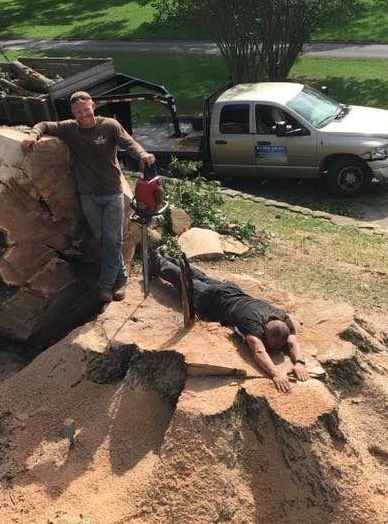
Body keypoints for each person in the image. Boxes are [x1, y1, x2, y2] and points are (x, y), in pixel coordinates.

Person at [21, 91, 156, 303]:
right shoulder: (70, 129)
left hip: (112, 192)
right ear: (73, 113)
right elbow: (44, 125)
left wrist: (142, 155)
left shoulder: (109, 125)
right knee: (103, 240)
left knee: (113, 240)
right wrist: (32, 136)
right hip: (88, 196)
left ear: (93, 105)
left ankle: (107, 285)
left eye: (86, 109)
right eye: (78, 112)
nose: (83, 115)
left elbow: (129, 143)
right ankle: (121, 277)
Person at [152, 252, 309, 392]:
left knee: (201, 276)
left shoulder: (283, 318)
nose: (269, 347)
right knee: (184, 281)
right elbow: (259, 351)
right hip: (210, 298)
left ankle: (169, 256)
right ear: (265, 328)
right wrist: (275, 374)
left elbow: (292, 342)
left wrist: (300, 362)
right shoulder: (252, 325)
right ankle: (157, 260)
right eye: (268, 343)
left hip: (230, 289)